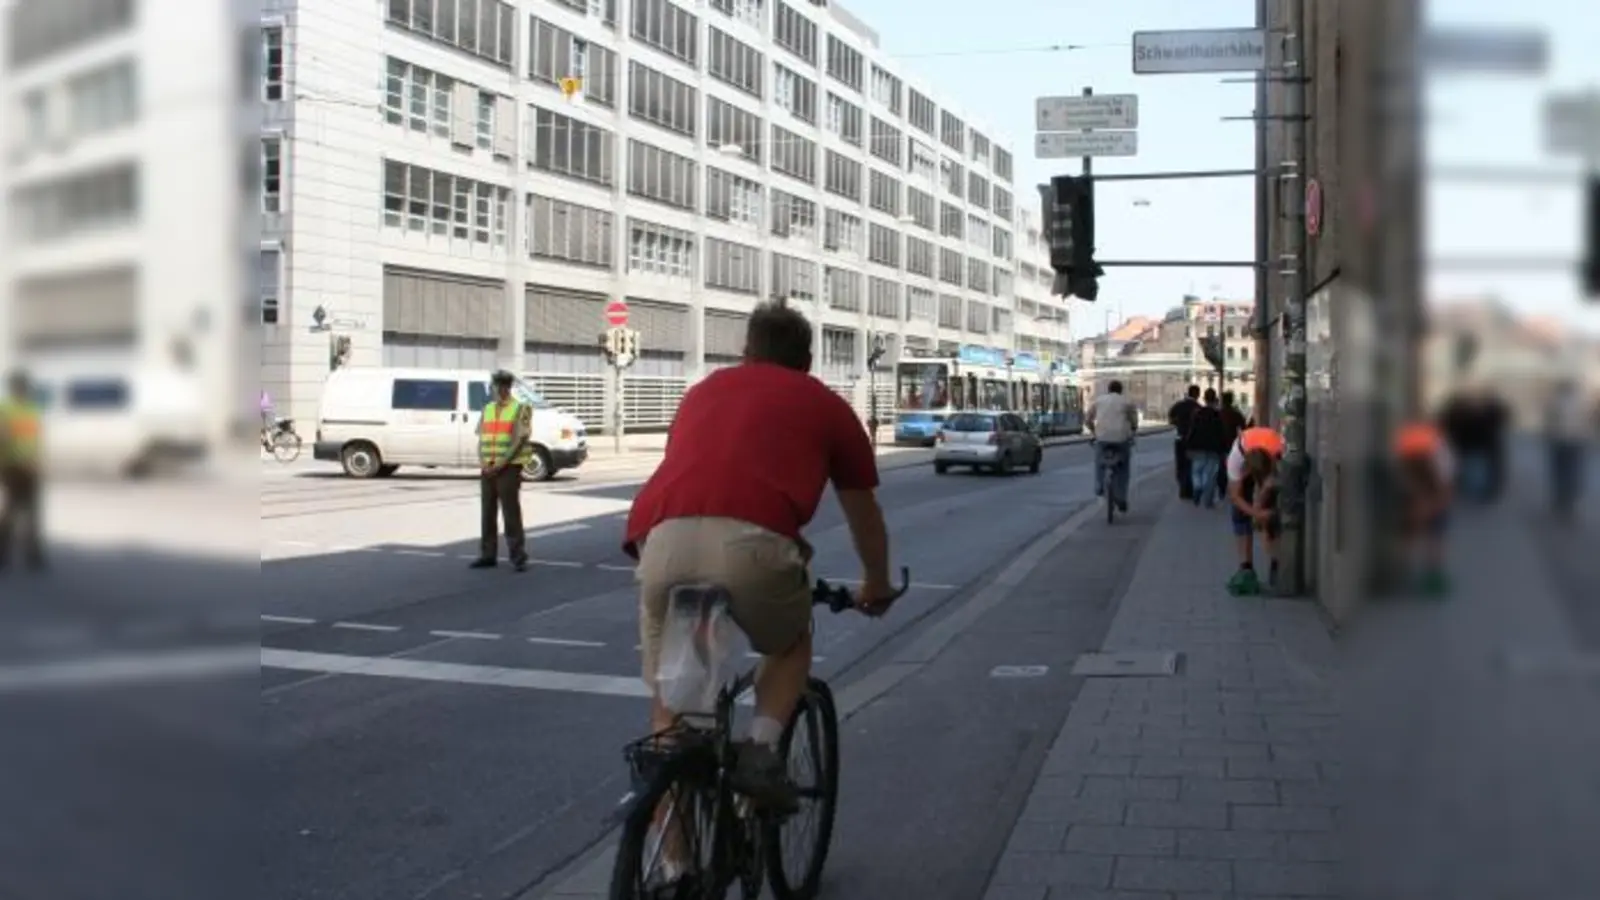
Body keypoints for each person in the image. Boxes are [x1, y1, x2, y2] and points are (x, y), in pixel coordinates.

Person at [625, 301, 898, 812]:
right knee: (791, 643)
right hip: (752, 547)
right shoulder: (826, 405)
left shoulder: (702, 393)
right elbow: (864, 513)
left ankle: (672, 869)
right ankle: (762, 750)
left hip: (662, 540)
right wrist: (876, 585)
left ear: (746, 352)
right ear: (808, 359)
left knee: (673, 710)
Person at [471, 370, 531, 572]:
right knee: (487, 512)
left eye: (503, 387)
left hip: (508, 468)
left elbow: (518, 440)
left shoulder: (521, 409)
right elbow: (481, 439)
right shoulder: (487, 409)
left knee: (510, 513)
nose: (499, 391)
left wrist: (500, 464)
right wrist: (483, 462)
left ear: (508, 388)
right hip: (488, 468)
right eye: (497, 387)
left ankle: (518, 556)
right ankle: (488, 555)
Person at [1394, 420, 1454, 596]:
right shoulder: (1438, 445)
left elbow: (1400, 470)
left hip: (1413, 495)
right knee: (1435, 539)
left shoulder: (1406, 441)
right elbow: (1446, 475)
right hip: (1434, 494)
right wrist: (1442, 500)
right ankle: (1433, 579)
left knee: (1410, 537)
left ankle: (1404, 575)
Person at [1224, 424, 1285, 595]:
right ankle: (1246, 566)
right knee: (1240, 514)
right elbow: (1235, 496)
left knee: (1270, 518)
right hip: (1251, 459)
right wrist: (1256, 513)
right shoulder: (1236, 458)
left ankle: (1276, 560)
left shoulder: (1279, 448)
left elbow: (1274, 483)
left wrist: (1264, 495)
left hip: (1272, 466)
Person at [0, 371, 45, 571]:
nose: (23, 390)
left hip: (31, 467)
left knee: (33, 512)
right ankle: (3, 554)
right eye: (21, 386)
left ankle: (33, 556)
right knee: (12, 512)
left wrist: (37, 461)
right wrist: (20, 459)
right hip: (12, 467)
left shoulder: (32, 409)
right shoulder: (5, 409)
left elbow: (36, 439)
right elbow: (4, 438)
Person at [1087, 379, 1139, 513]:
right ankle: (1121, 497)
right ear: (1121, 390)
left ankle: (1099, 489)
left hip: (1102, 439)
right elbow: (1134, 421)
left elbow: (1088, 419)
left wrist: (1093, 432)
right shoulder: (1127, 402)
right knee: (1123, 469)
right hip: (1121, 439)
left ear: (1108, 390)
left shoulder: (1099, 401)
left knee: (1099, 464)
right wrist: (1132, 432)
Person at [1544, 379, 1590, 522]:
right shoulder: (1583, 404)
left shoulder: (1554, 403)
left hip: (1559, 441)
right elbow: (1588, 423)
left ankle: (1560, 500)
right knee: (1574, 471)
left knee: (1559, 471)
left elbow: (1549, 423)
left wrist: (1549, 436)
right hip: (1577, 442)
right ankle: (1570, 501)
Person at [1184, 388, 1228, 508]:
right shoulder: (1218, 415)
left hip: (1197, 447)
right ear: (1215, 400)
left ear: (1204, 398)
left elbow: (1192, 431)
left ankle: (1197, 487)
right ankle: (1207, 500)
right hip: (1213, 449)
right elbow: (1222, 434)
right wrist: (1223, 449)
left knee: (1196, 471)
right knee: (1210, 475)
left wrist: (1188, 445)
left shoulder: (1197, 413)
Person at [1168, 385, 1201, 500]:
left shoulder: (1179, 405)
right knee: (1191, 465)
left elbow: (1171, 418)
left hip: (1179, 438)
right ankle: (1189, 489)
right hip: (1193, 441)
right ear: (1197, 394)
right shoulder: (1198, 407)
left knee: (1180, 464)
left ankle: (1182, 488)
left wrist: (1178, 424)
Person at [1217, 391, 1248, 494]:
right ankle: (1231, 486)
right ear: (1232, 400)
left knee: (1221, 466)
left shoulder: (1217, 413)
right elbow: (1244, 427)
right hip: (1231, 442)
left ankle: (1222, 488)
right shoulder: (1236, 413)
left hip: (1219, 443)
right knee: (1229, 466)